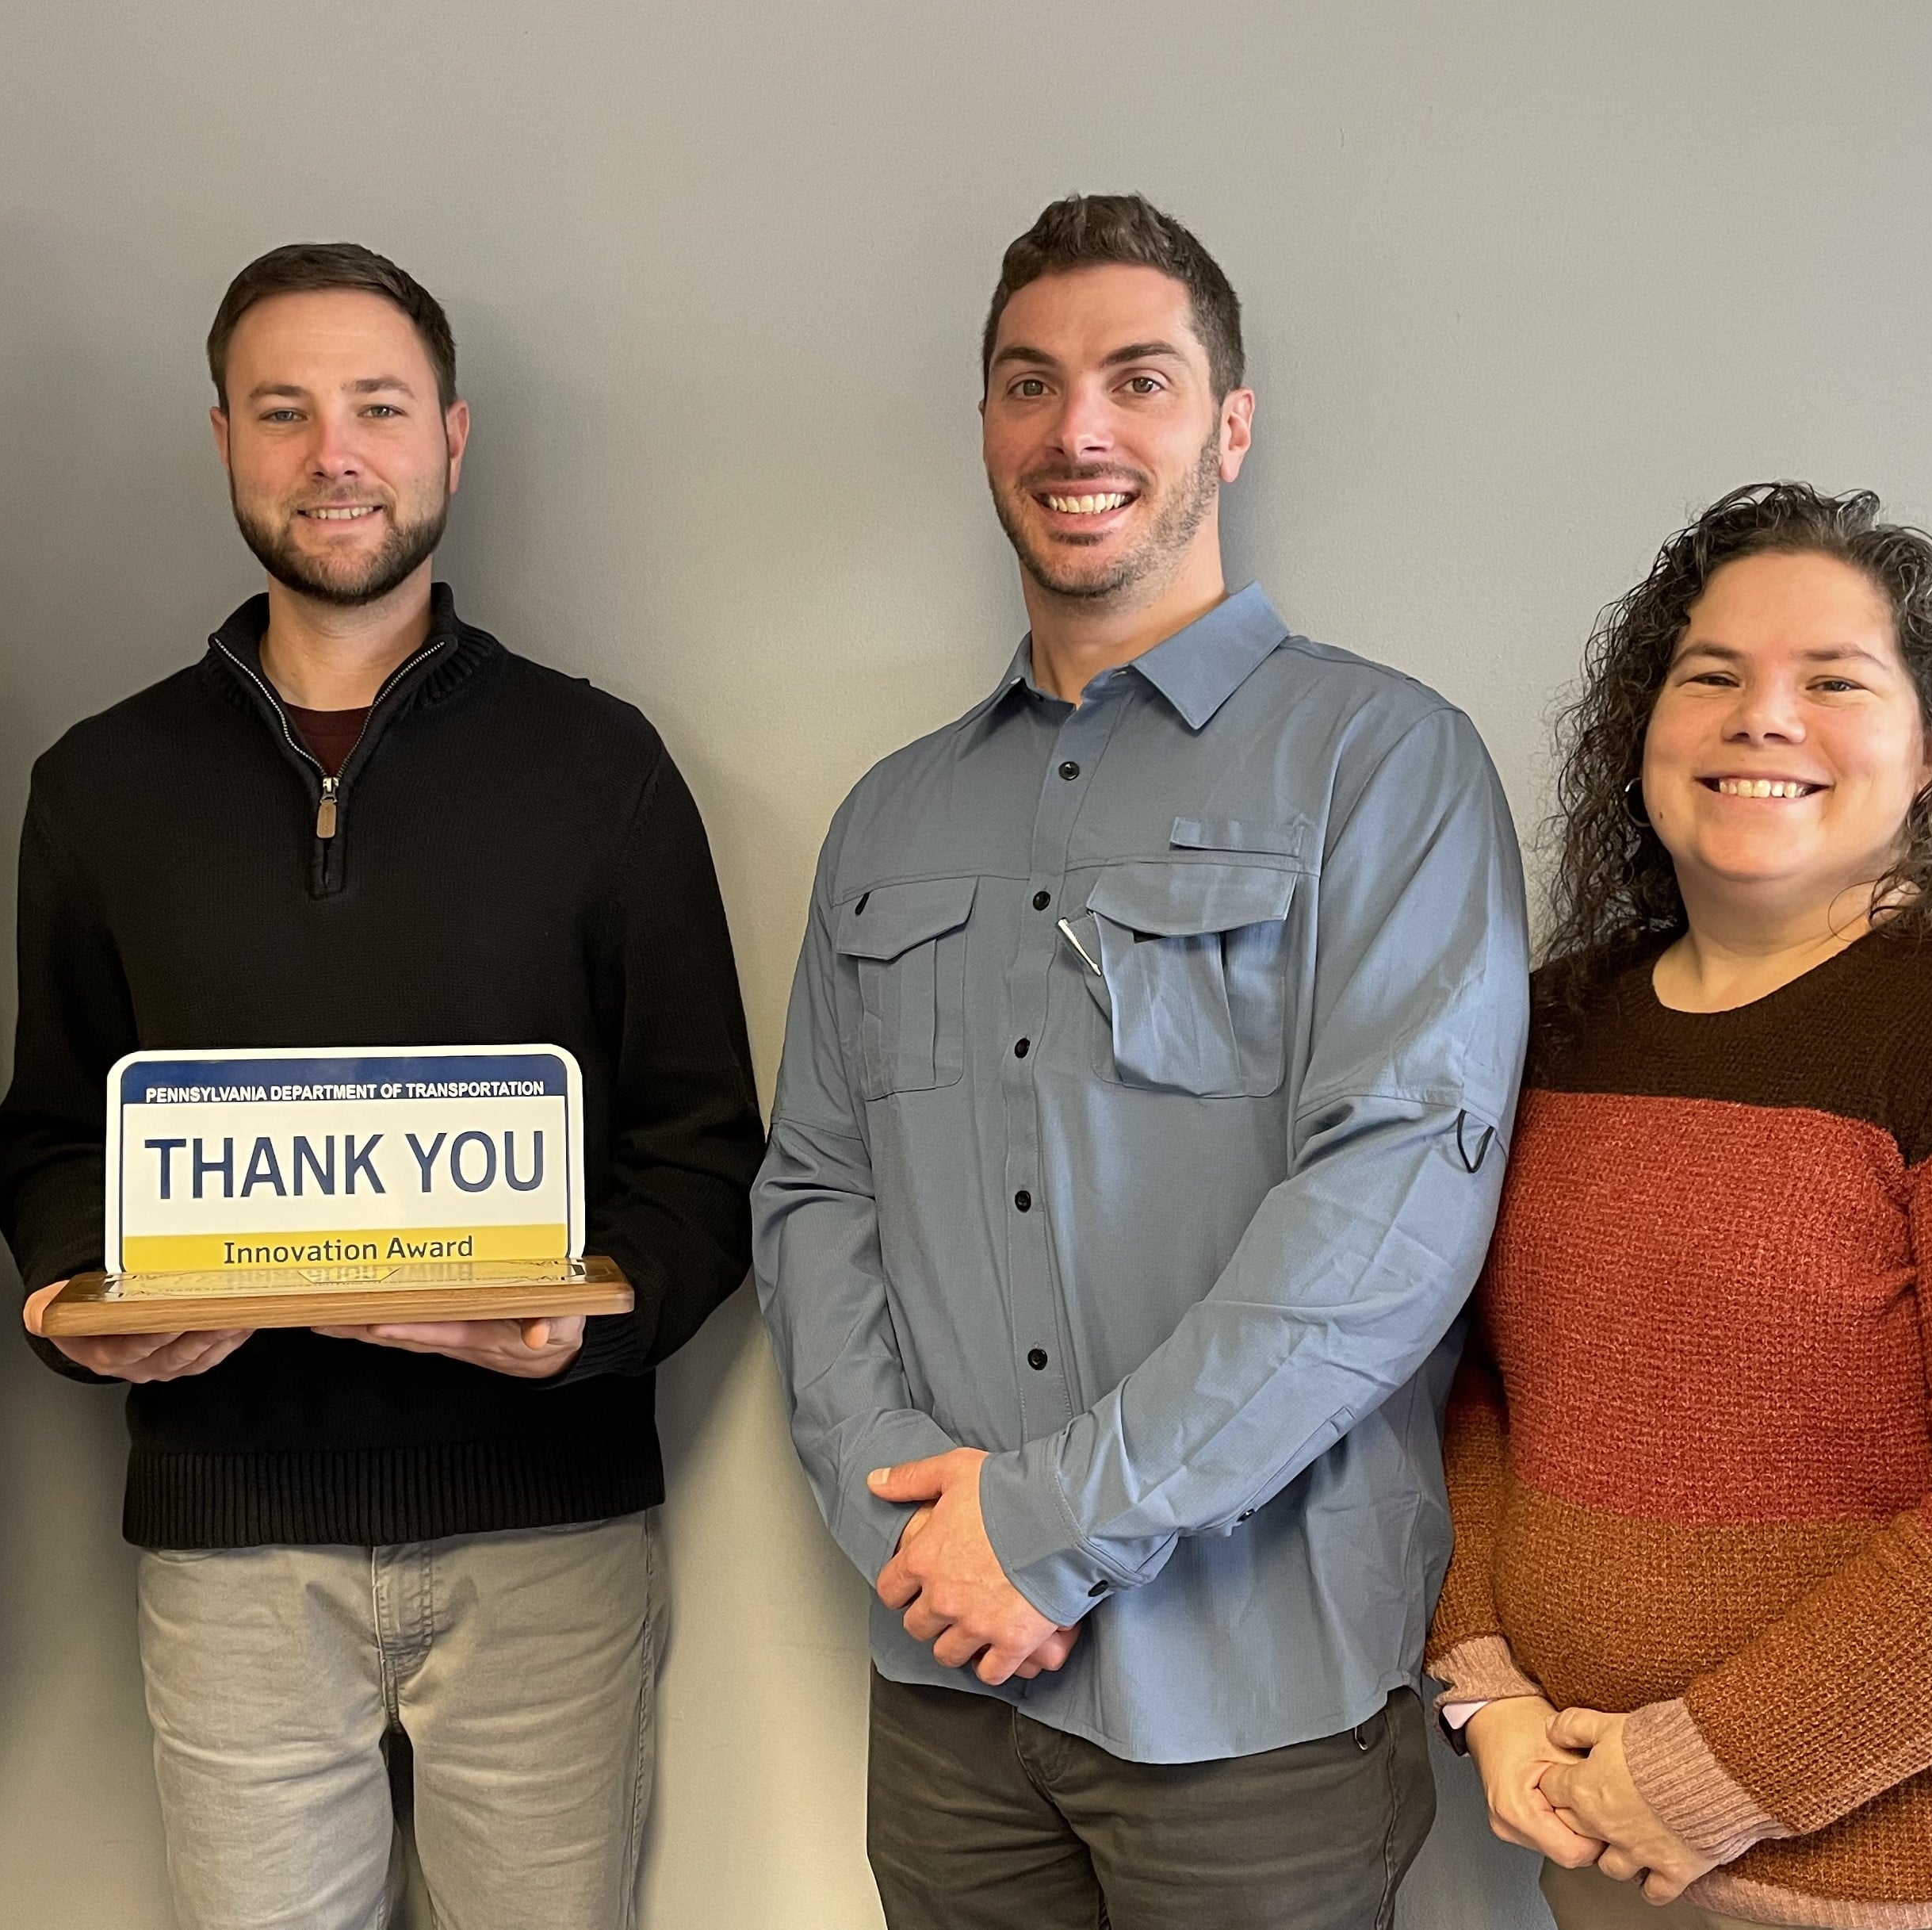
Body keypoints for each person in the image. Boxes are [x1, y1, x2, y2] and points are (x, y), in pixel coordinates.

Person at [751, 192, 1529, 1929]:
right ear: (984, 431)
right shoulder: (892, 811)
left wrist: (1042, 1526)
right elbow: (812, 1190)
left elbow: (1389, 1211)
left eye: (1138, 378)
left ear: (1228, 425)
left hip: (1257, 1705)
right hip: (950, 1689)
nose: (1076, 427)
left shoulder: (1380, 764)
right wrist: (917, 1534)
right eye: (1028, 384)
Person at [0, 241, 762, 1930]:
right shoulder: (103, 783)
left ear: (453, 437)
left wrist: (594, 1315)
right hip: (228, 1542)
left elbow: (707, 1153)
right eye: (285, 410)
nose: (333, 452)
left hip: (545, 1531)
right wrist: (69, 1299)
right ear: (224, 442)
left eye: (377, 407)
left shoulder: (600, 764)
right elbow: (48, 1129)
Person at [1429, 482, 1932, 1928]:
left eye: (1832, 682)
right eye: (1710, 676)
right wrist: (1489, 1686)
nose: (1760, 717)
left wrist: (1710, 1773)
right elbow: (1466, 1395)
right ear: (1639, 735)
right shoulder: (1546, 1033)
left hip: (1931, 1889)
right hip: (1594, 1846)